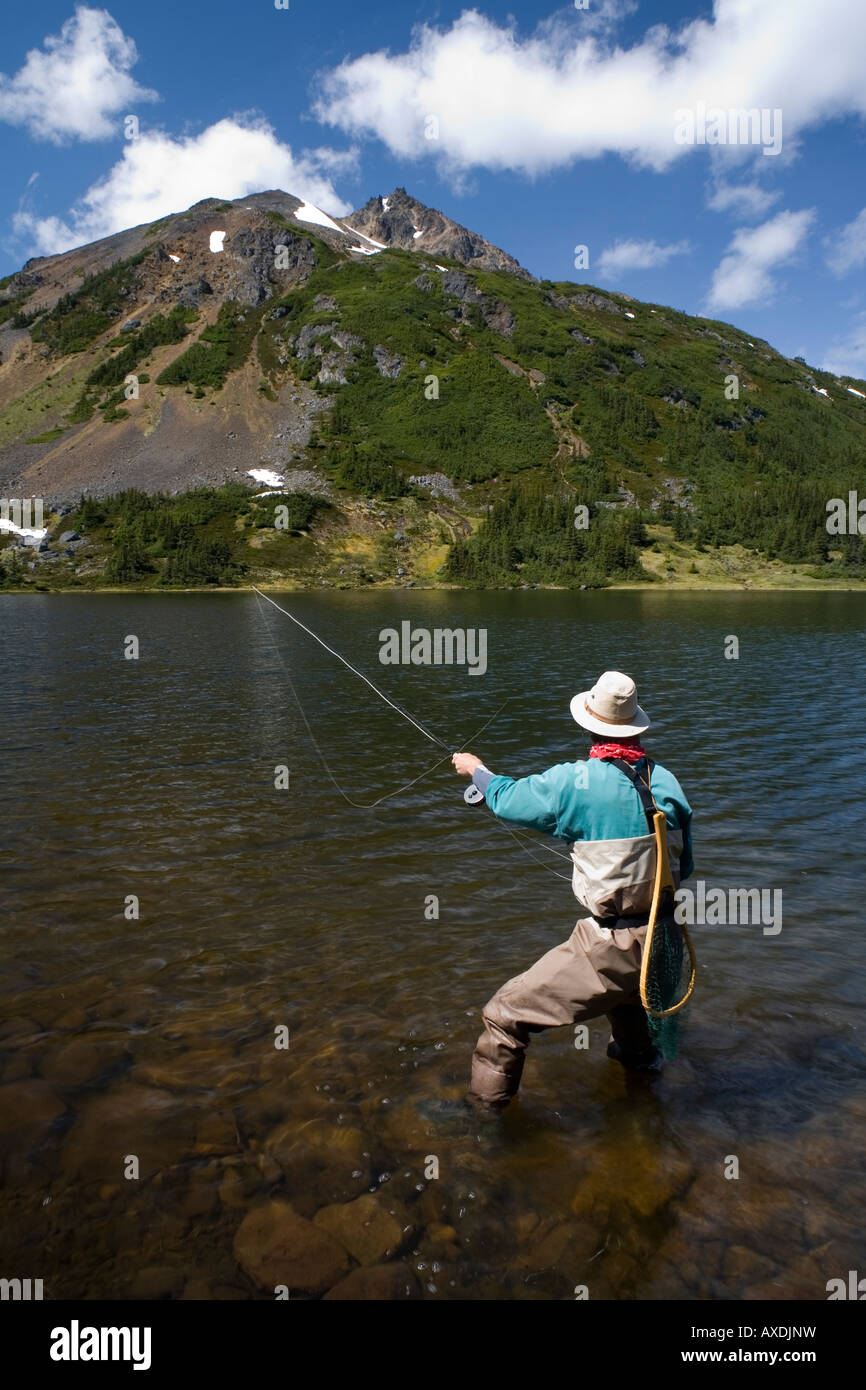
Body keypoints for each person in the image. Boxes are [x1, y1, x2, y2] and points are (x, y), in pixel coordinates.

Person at [451, 670, 693, 1109]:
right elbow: (685, 867)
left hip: (612, 945)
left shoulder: (573, 781)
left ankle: (480, 1123)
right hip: (663, 938)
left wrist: (476, 770)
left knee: (503, 1017)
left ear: (588, 724)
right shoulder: (668, 782)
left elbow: (506, 798)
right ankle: (645, 1098)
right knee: (630, 1010)